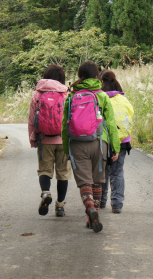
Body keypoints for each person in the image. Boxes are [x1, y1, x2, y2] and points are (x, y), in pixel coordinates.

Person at [62, 61, 120, 233]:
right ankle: (95, 215)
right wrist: (115, 148)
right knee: (97, 181)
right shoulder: (102, 96)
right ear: (97, 77)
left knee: (84, 183)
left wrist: (66, 149)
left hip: (78, 144)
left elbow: (64, 127)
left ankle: (90, 210)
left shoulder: (72, 97)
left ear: (80, 77)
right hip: (99, 143)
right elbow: (110, 124)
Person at [28, 64, 71, 217]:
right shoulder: (66, 93)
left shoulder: (38, 94)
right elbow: (71, 119)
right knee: (63, 174)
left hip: (44, 139)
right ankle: (60, 206)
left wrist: (32, 138)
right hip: (63, 141)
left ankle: (46, 193)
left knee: (44, 170)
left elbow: (32, 118)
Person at [99, 70, 134, 214]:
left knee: (103, 171)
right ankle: (117, 204)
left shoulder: (100, 97)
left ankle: (101, 201)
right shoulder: (123, 99)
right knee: (117, 172)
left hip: (105, 140)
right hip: (123, 142)